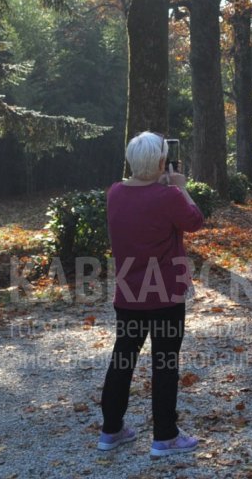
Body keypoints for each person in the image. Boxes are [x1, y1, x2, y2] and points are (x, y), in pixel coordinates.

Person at [97, 131, 205, 457]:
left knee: (122, 359)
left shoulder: (114, 193)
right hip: (165, 296)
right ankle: (165, 436)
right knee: (165, 363)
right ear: (161, 161)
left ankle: (111, 430)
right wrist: (181, 186)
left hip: (128, 293)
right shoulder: (168, 196)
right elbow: (195, 221)